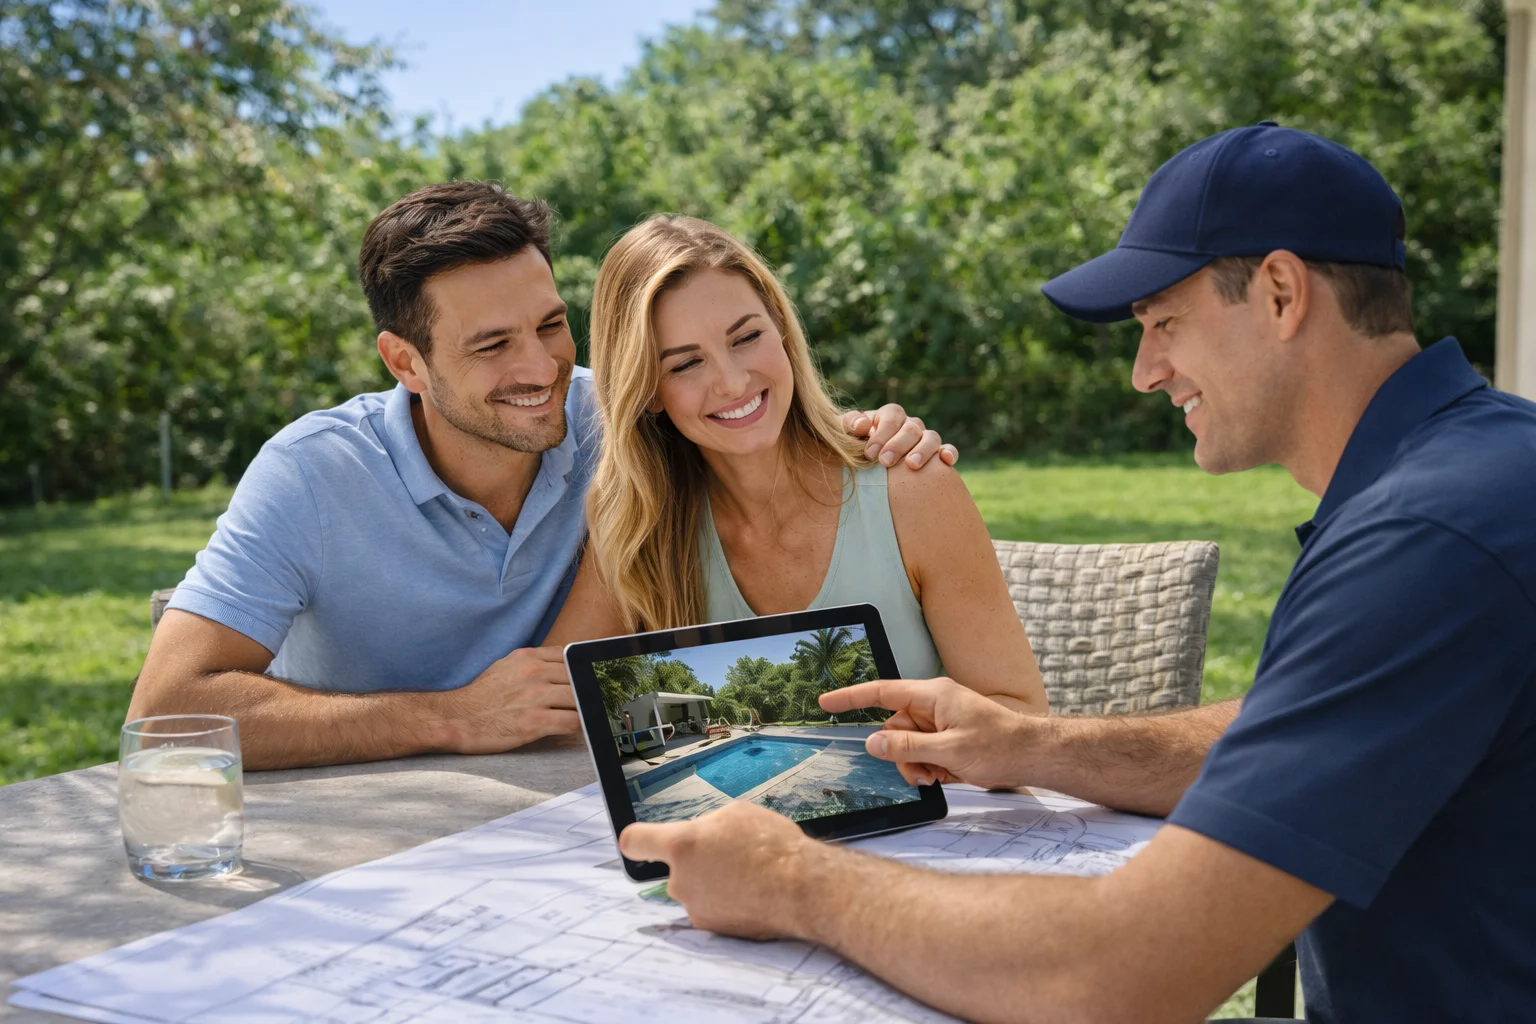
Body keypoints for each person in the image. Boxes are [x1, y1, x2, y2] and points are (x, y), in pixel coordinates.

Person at [615, 124, 1536, 1024]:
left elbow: (1120, 975)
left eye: (1162, 322)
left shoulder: (1427, 538)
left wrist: (791, 880)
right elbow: (1288, 731)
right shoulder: (1469, 472)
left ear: (1283, 295)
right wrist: (1033, 744)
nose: (1144, 372)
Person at [125, 182, 954, 769]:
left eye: (552, 325)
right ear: (404, 361)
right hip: (355, 819)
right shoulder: (312, 474)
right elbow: (166, 715)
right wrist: (450, 719)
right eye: (492, 345)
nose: (542, 368)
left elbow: (746, 415)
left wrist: (865, 435)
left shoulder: (620, 427)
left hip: (558, 802)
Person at [545, 215, 1047, 715]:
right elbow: (551, 699)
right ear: (648, 391)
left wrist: (893, 764)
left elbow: (1020, 711)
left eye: (746, 337)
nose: (733, 382)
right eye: (685, 363)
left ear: (781, 327)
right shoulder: (639, 529)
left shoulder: (914, 488)